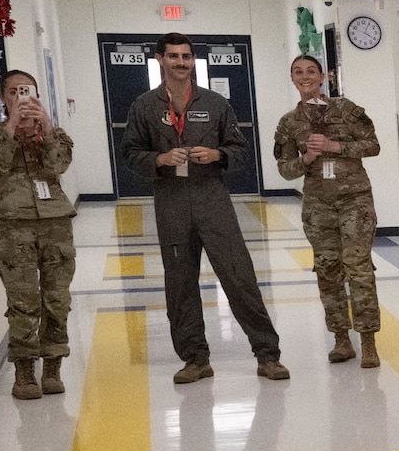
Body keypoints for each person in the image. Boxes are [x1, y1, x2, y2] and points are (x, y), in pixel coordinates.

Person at [120, 32, 289, 384]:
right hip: (172, 202)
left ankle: (267, 354)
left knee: (238, 276)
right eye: (173, 56)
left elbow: (241, 151)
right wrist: (161, 158)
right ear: (160, 60)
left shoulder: (215, 104)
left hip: (212, 199)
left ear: (192, 61)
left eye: (186, 56)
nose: (180, 63)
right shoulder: (144, 106)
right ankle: (195, 358)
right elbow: (130, 156)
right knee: (180, 283)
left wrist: (218, 155)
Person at [273, 55, 382, 368]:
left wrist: (337, 148)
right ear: (292, 78)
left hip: (355, 200)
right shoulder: (289, 122)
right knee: (327, 269)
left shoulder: (346, 109)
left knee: (358, 266)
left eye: (311, 72)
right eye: (298, 73)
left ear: (323, 76)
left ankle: (369, 340)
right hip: (318, 204)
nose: (305, 77)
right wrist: (306, 158)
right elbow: (285, 170)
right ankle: (341, 339)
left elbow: (373, 144)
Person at [0, 70, 74, 401]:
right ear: (3, 98)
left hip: (56, 224)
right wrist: (12, 127)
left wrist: (45, 127)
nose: (21, 97)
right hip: (16, 227)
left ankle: (53, 367)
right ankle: (25, 371)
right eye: (13, 92)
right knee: (23, 301)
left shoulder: (54, 133)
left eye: (26, 91)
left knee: (57, 299)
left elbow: (58, 166)